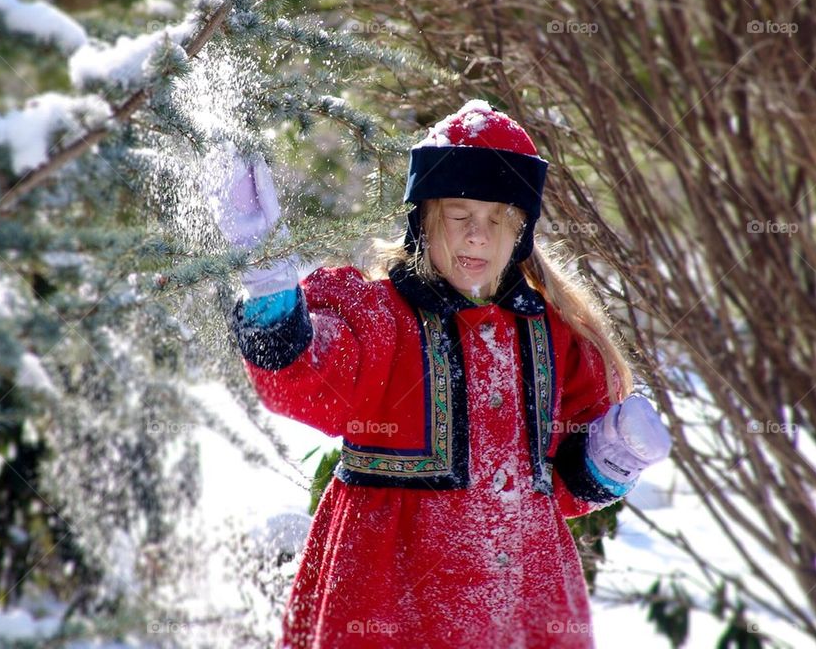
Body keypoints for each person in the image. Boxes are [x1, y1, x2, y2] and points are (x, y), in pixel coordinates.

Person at [206, 100, 672, 649]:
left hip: (523, 600)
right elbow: (310, 381)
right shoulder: (380, 318)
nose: (478, 235)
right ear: (423, 218)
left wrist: (611, 456)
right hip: (388, 601)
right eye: (459, 214)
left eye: (498, 218)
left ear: (521, 230)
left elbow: (564, 486)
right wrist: (267, 285)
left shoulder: (553, 333)